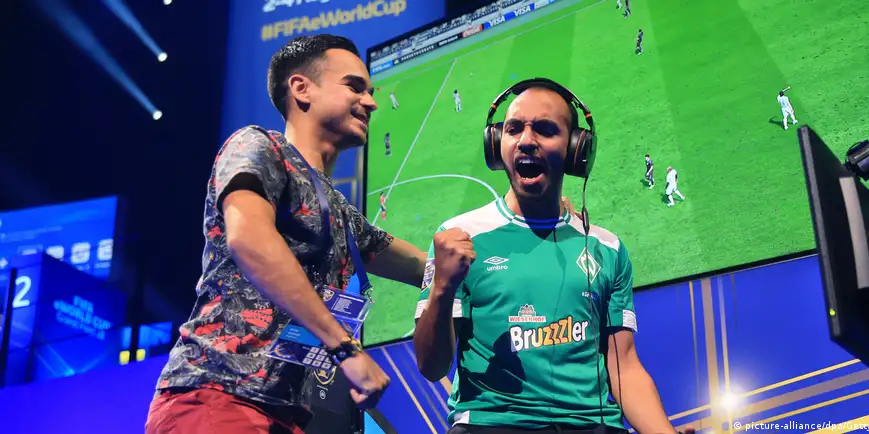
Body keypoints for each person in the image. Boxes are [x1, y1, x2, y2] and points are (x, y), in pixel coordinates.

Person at [145, 35, 428, 434]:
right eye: (355, 87)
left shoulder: (342, 214)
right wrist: (344, 347)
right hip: (218, 393)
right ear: (301, 88)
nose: (371, 102)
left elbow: (421, 266)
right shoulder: (259, 146)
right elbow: (249, 239)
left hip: (286, 413)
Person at [413, 79, 685, 434]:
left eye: (544, 129)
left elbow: (626, 368)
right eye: (514, 129)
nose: (526, 140)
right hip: (492, 425)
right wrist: (442, 288)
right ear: (497, 144)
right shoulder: (458, 237)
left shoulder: (607, 248)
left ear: (576, 150)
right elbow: (431, 367)